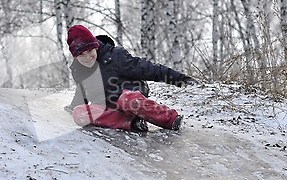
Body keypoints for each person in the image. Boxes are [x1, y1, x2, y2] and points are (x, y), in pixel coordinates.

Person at [65, 24, 195, 132]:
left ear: (96, 46)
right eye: (81, 55)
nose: (87, 57)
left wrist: (180, 79)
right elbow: (82, 92)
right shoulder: (79, 71)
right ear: (75, 56)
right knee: (79, 113)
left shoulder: (115, 56)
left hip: (130, 96)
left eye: (90, 51)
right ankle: (131, 122)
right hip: (107, 108)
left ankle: (170, 119)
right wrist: (73, 107)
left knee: (128, 99)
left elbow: (147, 68)